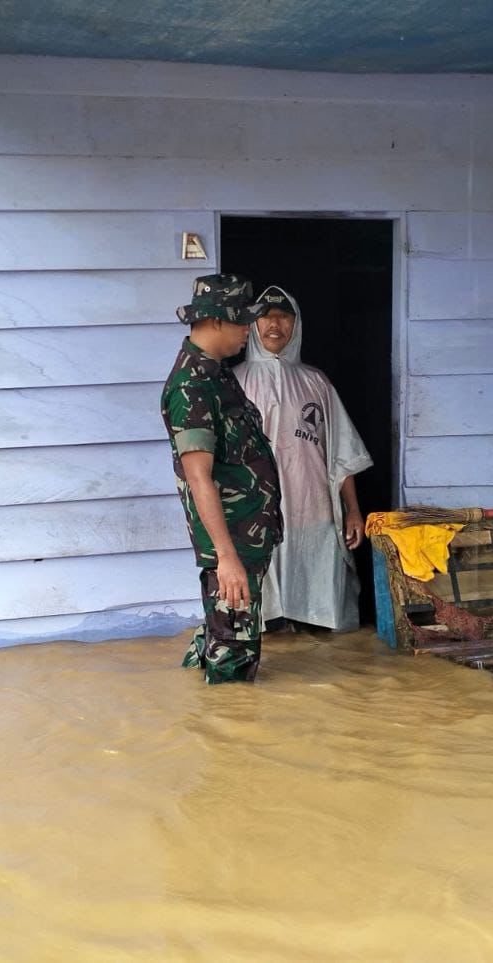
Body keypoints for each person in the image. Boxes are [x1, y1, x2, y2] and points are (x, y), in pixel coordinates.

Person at [161, 274, 284, 684]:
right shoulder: (192, 386)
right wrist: (227, 558)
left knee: (223, 638)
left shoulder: (216, 372)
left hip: (245, 534)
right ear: (214, 321)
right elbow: (200, 479)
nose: (249, 331)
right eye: (241, 322)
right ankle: (229, 742)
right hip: (232, 543)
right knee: (233, 661)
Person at [234, 285, 373, 631]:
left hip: (313, 513)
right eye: (265, 315)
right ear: (252, 323)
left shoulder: (317, 383)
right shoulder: (234, 382)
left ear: (296, 324)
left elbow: (341, 452)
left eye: (284, 316)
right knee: (263, 622)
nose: (274, 324)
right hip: (256, 519)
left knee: (318, 617)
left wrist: (353, 510)